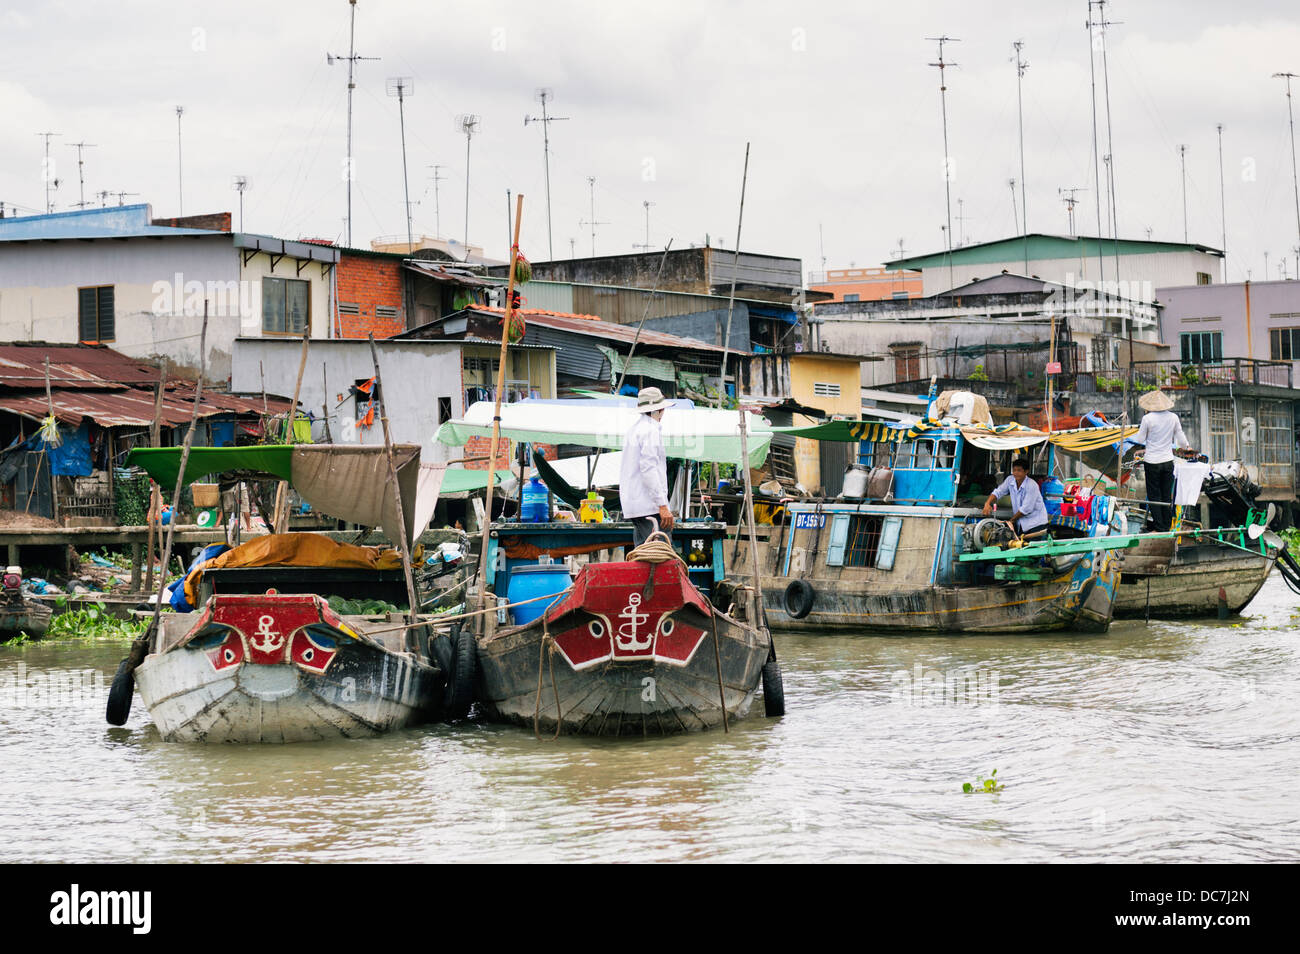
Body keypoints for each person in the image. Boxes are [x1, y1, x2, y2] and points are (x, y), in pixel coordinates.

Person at [620, 386, 675, 546]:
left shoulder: (634, 430)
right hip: (649, 506)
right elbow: (648, 469)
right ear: (659, 409)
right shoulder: (650, 430)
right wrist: (662, 505)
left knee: (643, 554)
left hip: (637, 505)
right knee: (659, 555)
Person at [1133, 391, 1194, 532]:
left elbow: (1140, 440)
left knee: (1154, 496)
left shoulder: (1147, 419)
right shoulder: (1173, 417)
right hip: (1167, 462)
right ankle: (1167, 526)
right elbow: (1180, 436)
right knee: (1166, 495)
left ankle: (1160, 528)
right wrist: (1187, 447)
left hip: (1152, 462)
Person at [981, 457, 1049, 536]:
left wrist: (1010, 521)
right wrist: (987, 503)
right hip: (1022, 524)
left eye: (1019, 470)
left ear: (1026, 471)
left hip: (1036, 525)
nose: (1016, 473)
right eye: (1014, 470)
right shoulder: (1010, 480)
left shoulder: (1032, 485)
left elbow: (1025, 509)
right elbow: (998, 492)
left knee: (1030, 547)